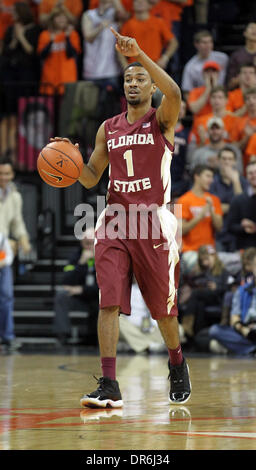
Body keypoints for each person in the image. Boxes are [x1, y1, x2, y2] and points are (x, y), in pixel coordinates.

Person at [51, 27, 191, 407]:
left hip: (153, 220)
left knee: (163, 309)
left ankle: (176, 360)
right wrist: (71, 162)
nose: (133, 82)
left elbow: (175, 93)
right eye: (128, 77)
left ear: (149, 86)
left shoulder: (162, 119)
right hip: (114, 219)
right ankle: (110, 383)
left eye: (140, 78)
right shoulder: (108, 128)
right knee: (108, 301)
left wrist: (140, 54)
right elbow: (91, 176)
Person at [53, 229, 98, 346]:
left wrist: (82, 289)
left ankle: (94, 337)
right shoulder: (76, 256)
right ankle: (63, 334)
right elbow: (66, 281)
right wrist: (81, 263)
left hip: (97, 296)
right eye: (85, 243)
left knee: (101, 301)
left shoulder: (106, 257)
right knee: (61, 295)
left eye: (91, 243)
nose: (88, 246)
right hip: (80, 298)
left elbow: (105, 286)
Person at [177, 164, 223, 272]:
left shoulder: (214, 200)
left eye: (212, 177)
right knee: (203, 267)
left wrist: (210, 209)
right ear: (197, 176)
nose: (211, 180)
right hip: (191, 251)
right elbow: (180, 230)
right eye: (208, 176)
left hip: (210, 251)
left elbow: (219, 227)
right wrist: (201, 215)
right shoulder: (183, 200)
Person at [209, 251, 256, 356]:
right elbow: (234, 317)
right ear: (253, 268)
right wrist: (243, 329)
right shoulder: (242, 290)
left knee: (215, 345)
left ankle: (247, 349)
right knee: (215, 330)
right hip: (246, 331)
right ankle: (251, 349)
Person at [180, 244, 229, 340]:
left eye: (207, 259)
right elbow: (193, 281)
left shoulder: (223, 271)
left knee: (195, 293)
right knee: (199, 303)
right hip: (204, 298)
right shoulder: (203, 271)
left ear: (214, 256)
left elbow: (227, 288)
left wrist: (217, 287)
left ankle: (186, 323)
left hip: (217, 297)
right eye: (202, 261)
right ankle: (195, 334)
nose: (205, 263)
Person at [119, 0, 178, 71]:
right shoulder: (127, 25)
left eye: (143, 1)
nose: (139, 2)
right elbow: (119, 48)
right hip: (135, 67)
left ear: (149, 5)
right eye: (136, 1)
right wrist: (125, 66)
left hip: (154, 66)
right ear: (133, 5)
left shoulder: (158, 22)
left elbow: (173, 42)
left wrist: (165, 58)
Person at [209, 147, 249, 252]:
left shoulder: (243, 182)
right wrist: (234, 207)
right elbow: (211, 208)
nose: (227, 162)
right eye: (224, 158)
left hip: (238, 234)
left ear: (235, 162)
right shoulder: (211, 181)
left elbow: (243, 210)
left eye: (230, 159)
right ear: (218, 160)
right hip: (217, 234)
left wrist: (235, 181)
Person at [37, 7, 81, 95]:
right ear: (52, 20)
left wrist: (67, 38)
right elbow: (41, 55)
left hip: (67, 79)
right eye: (58, 17)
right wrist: (50, 42)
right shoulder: (45, 35)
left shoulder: (72, 34)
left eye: (63, 17)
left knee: (67, 107)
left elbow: (72, 54)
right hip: (49, 79)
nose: (61, 20)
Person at [81, 0, 122, 93]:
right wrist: (100, 27)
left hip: (111, 71)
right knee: (90, 105)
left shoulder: (114, 14)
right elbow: (88, 37)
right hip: (91, 70)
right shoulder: (89, 15)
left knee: (111, 104)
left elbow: (123, 15)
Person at [181, 30, 229, 97]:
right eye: (204, 42)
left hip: (223, 97)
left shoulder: (223, 58)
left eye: (210, 42)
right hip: (202, 99)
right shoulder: (190, 66)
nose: (208, 45)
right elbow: (187, 92)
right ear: (196, 44)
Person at [0, 158, 31, 257]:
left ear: (12, 174)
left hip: (3, 252)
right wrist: (5, 242)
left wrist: (23, 238)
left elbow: (17, 222)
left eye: (7, 173)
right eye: (0, 173)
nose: (3, 177)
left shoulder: (15, 196)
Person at [226, 160, 256, 250]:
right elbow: (230, 226)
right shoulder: (238, 199)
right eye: (250, 173)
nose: (254, 175)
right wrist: (243, 228)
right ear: (246, 176)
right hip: (245, 249)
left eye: (255, 172)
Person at [229, 87, 256, 170]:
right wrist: (246, 138)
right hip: (244, 164)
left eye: (254, 98)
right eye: (248, 99)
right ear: (245, 102)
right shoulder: (238, 122)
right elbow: (233, 148)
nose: (251, 101)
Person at [0, 232, 18, 351]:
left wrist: (3, 262)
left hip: (2, 268)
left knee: (6, 298)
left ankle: (8, 336)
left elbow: (8, 256)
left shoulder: (0, 237)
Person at [226, 23, 256, 91]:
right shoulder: (236, 55)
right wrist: (245, 77)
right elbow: (229, 84)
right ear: (245, 33)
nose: (254, 30)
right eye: (251, 28)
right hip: (239, 93)